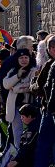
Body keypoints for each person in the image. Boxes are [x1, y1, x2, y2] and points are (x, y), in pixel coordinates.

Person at [3, 48, 37, 149]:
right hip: (15, 107)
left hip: (28, 107)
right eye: (21, 58)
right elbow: (6, 84)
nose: (24, 60)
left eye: (26, 57)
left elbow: (30, 85)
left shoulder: (33, 70)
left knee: (30, 134)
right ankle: (18, 156)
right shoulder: (13, 70)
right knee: (17, 134)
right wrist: (17, 76)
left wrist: (16, 88)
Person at [34, 35, 55, 167]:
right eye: (52, 47)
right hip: (48, 108)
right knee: (44, 143)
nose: (53, 50)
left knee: (44, 143)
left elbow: (46, 88)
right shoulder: (49, 64)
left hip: (50, 110)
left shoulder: (51, 65)